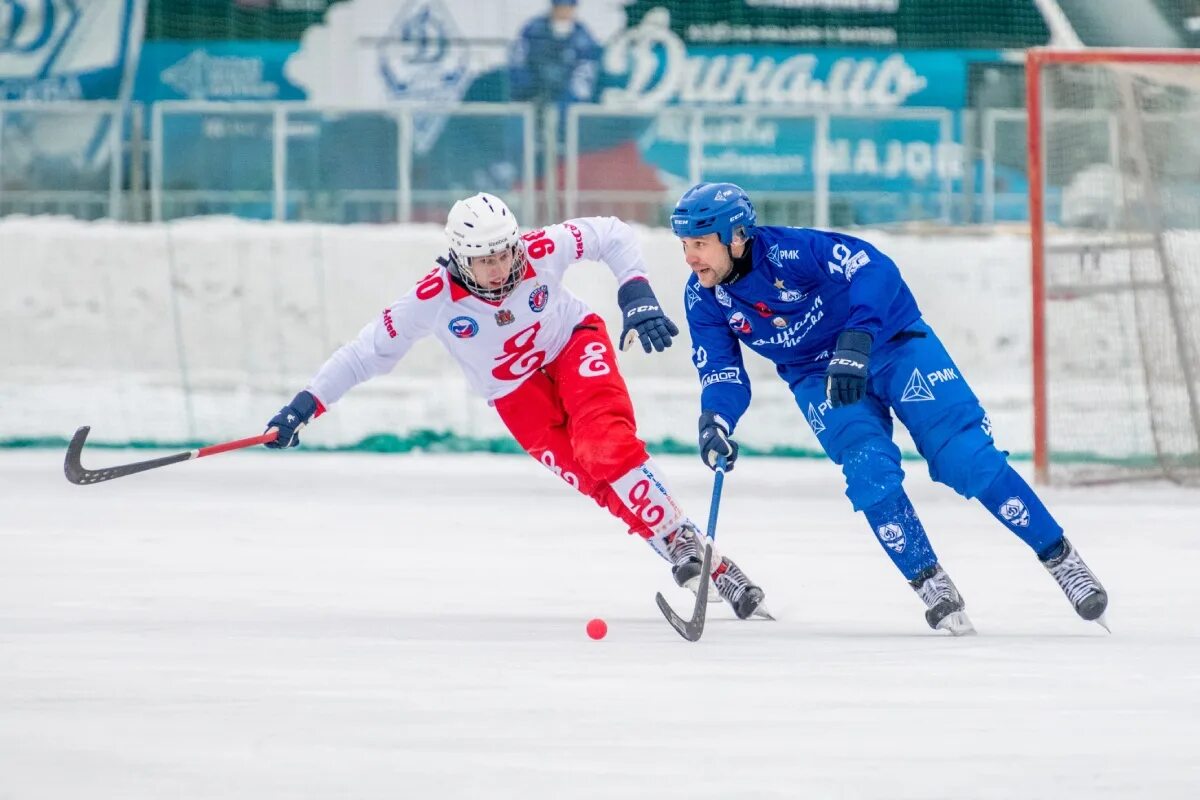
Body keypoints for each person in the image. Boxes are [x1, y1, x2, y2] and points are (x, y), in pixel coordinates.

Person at [263, 193, 768, 620]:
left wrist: (635, 294)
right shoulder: (432, 297)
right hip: (514, 391)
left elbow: (611, 234)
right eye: (485, 260)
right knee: (597, 482)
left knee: (604, 448)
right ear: (459, 258)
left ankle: (679, 539)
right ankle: (713, 566)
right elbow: (364, 354)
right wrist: (304, 406)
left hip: (573, 344)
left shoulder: (540, 248)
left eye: (505, 253)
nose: (502, 268)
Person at [669, 182, 1108, 635]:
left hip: (890, 343)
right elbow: (721, 371)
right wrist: (716, 419)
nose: (690, 257)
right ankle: (931, 584)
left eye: (700, 244)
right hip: (817, 376)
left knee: (964, 456)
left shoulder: (793, 252)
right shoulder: (702, 297)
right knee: (867, 469)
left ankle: (1060, 558)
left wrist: (858, 336)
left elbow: (875, 269)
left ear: (737, 236)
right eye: (684, 245)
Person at [508, 0, 601, 150]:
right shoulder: (533, 29)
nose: (563, 11)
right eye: (560, 7)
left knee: (566, 122)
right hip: (533, 93)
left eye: (568, 7)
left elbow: (587, 71)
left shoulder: (582, 35)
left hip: (566, 97)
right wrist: (528, 89)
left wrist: (571, 95)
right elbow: (518, 62)